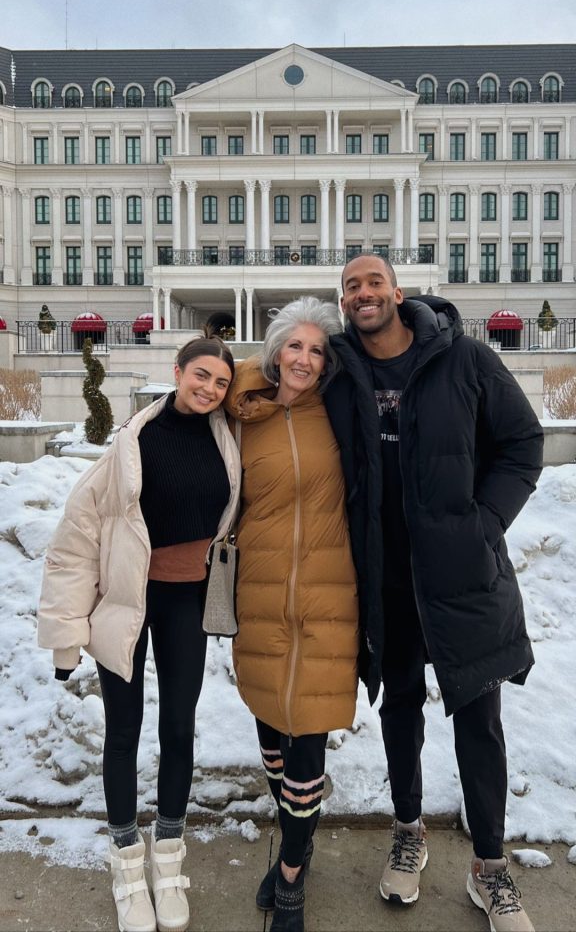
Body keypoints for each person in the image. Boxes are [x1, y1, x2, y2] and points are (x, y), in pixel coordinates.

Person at [323, 254, 543, 932]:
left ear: (398, 291)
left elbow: (522, 442)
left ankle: (490, 870)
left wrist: (485, 524)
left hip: (463, 577)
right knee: (401, 715)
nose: (364, 293)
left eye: (373, 282)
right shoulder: (337, 368)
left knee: (479, 723)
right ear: (344, 300)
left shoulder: (467, 359)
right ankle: (409, 832)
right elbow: (272, 384)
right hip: (384, 577)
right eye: (351, 286)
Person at [38, 334, 241, 932]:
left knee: (179, 726)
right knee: (123, 731)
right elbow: (76, 542)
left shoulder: (227, 440)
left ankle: (169, 858)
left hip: (189, 600)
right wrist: (66, 631)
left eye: (221, 382)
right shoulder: (130, 444)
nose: (208, 388)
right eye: (200, 375)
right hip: (125, 599)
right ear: (177, 372)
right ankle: (127, 864)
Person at [225, 297, 359, 932]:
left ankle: (292, 873)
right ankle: (294, 838)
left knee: (307, 744)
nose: (305, 359)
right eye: (294, 346)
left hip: (328, 597)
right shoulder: (242, 416)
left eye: (317, 350)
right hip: (261, 596)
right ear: (275, 351)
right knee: (273, 738)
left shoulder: (339, 411)